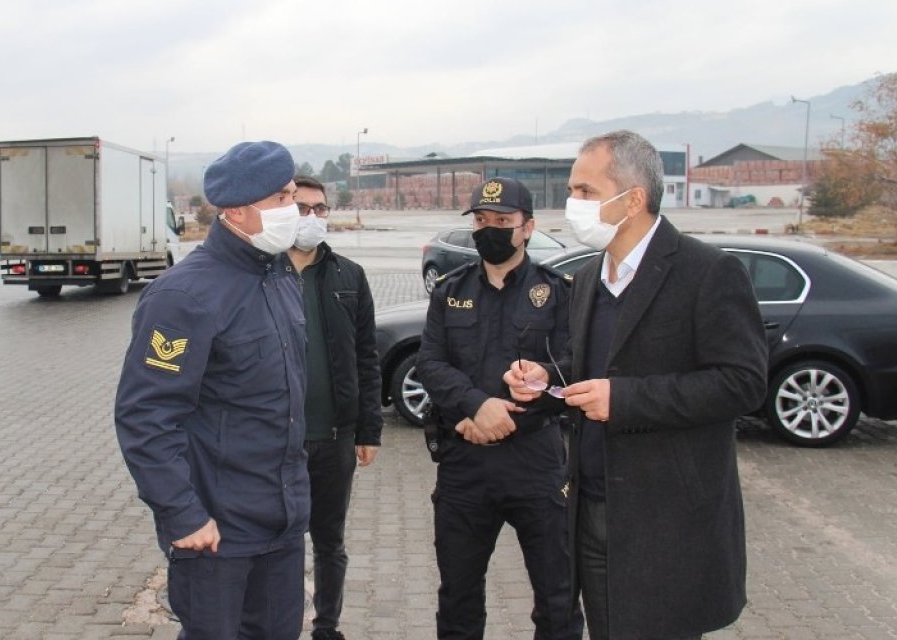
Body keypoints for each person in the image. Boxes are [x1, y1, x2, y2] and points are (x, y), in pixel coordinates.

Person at [506, 130, 768, 640]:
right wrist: (545, 379)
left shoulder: (708, 273)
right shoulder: (586, 278)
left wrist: (622, 400)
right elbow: (592, 366)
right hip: (593, 512)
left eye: (585, 191)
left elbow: (742, 383)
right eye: (571, 190)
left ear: (634, 199)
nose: (572, 204)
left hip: (668, 525)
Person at [114, 140, 309, 639]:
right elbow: (146, 418)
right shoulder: (184, 297)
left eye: (293, 194)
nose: (295, 209)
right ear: (236, 212)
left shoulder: (279, 275)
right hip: (216, 532)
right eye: (281, 199)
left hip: (282, 521)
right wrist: (183, 515)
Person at [417, 178, 583, 640]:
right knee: (458, 599)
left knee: (557, 598)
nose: (488, 230)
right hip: (465, 464)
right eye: (481, 220)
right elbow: (430, 362)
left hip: (536, 464)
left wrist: (517, 407)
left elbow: (571, 366)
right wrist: (477, 407)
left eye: (503, 222)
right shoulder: (449, 290)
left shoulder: (557, 291)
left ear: (527, 227)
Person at [287, 176, 383, 640]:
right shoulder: (263, 274)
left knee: (329, 542)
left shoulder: (349, 275)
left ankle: (327, 627)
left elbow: (367, 356)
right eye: (301, 208)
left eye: (319, 209)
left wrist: (369, 430)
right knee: (280, 542)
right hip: (277, 442)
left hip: (335, 438)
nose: (311, 218)